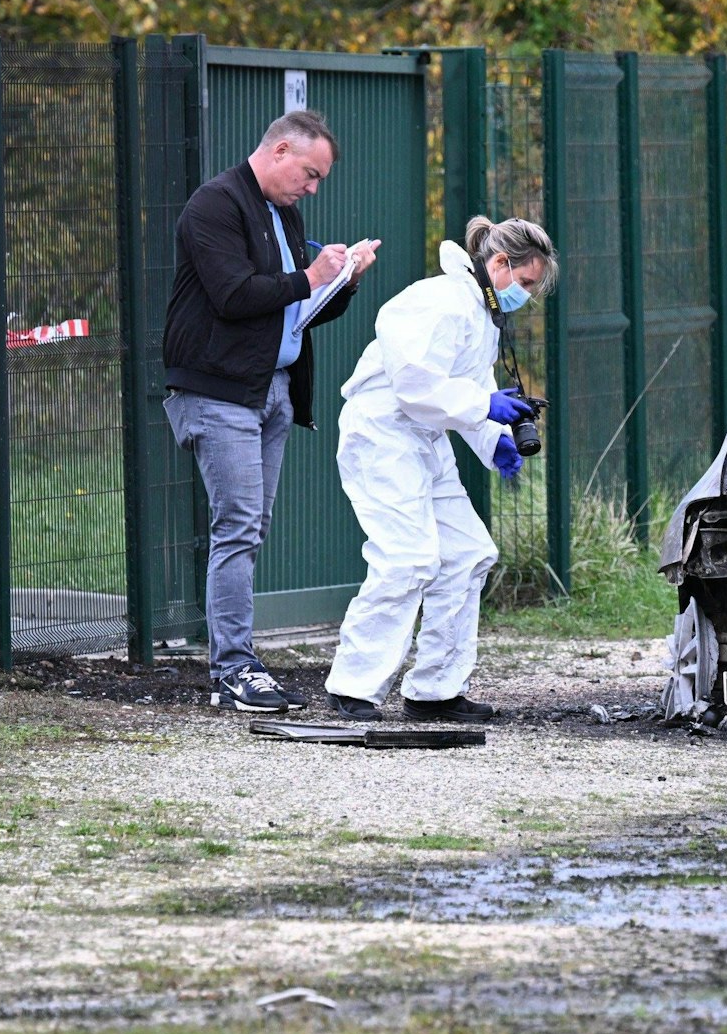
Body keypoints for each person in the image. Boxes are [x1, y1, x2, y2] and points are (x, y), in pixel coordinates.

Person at [162, 109, 378, 713]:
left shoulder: (283, 212)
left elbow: (291, 312)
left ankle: (236, 663)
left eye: (317, 181)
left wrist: (344, 282)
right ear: (280, 150)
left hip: (271, 389)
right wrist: (312, 274)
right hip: (219, 390)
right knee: (236, 527)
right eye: (309, 174)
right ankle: (233, 668)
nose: (311, 188)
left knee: (249, 529)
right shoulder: (215, 204)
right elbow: (233, 296)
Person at [323, 216, 557, 722]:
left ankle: (435, 692)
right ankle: (353, 687)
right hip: (382, 433)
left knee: (468, 554)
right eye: (526, 282)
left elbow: (466, 392)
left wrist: (495, 440)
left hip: (421, 440)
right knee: (407, 558)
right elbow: (414, 386)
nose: (528, 295)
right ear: (499, 264)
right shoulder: (436, 301)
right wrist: (485, 408)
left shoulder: (478, 314)